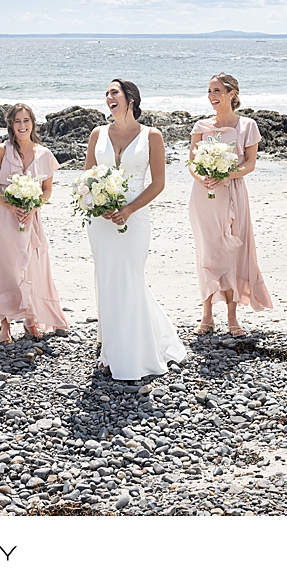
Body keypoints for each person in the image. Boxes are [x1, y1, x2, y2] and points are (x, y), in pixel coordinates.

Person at [84, 79, 187, 380]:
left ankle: (136, 352)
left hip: (135, 218)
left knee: (129, 278)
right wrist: (97, 205)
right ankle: (110, 351)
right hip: (100, 221)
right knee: (106, 279)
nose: (108, 98)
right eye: (105, 94)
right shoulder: (97, 134)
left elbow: (158, 183)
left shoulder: (151, 136)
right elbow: (88, 176)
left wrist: (129, 209)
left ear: (130, 98)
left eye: (113, 92)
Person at [188, 73, 273, 336]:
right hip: (204, 195)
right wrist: (202, 177)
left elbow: (249, 163)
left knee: (232, 251)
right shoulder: (201, 126)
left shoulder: (248, 126)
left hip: (233, 191)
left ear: (232, 93)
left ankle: (232, 317)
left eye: (217, 91)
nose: (212, 96)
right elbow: (191, 161)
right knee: (207, 252)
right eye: (209, 91)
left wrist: (226, 174)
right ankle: (207, 314)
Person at [0, 103, 70, 343]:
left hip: (30, 219)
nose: (22, 126)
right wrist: (11, 205)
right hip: (1, 218)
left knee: (32, 267)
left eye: (26, 121)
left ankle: (31, 320)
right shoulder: (1, 150)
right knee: (4, 270)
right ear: (11, 125)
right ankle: (5, 324)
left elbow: (47, 191)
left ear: (33, 123)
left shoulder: (44, 154)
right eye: (17, 121)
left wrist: (32, 207)